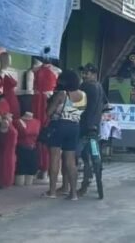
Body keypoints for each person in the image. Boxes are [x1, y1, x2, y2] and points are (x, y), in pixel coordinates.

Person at [44, 70, 85, 200]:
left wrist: (50, 102)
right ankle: (73, 193)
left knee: (55, 158)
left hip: (59, 125)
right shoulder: (83, 95)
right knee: (70, 161)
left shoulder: (62, 94)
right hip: (74, 127)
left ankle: (52, 192)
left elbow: (49, 112)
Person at [77, 63, 106, 197]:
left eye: (86, 73)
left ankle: (84, 182)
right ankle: (96, 175)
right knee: (95, 155)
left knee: (80, 154)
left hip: (84, 126)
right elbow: (105, 104)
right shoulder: (99, 86)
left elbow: (76, 103)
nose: (84, 75)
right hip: (95, 126)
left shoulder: (85, 86)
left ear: (93, 74)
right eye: (83, 73)